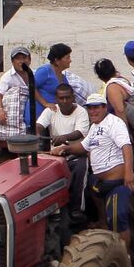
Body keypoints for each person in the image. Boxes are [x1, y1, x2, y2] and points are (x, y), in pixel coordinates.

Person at [58, 92, 134, 245]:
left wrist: (129, 173)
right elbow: (83, 146)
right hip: (99, 182)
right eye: (89, 108)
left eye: (96, 108)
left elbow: (126, 147)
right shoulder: (94, 127)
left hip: (117, 182)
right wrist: (65, 148)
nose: (92, 111)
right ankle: (101, 221)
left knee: (117, 217)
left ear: (104, 107)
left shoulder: (114, 123)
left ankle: (125, 254)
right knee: (89, 187)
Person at [37, 83, 91, 215]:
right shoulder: (51, 110)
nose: (65, 101)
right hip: (55, 156)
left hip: (76, 153)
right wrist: (38, 133)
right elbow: (39, 125)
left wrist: (63, 138)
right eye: (61, 98)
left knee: (80, 172)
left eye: (67, 98)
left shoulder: (81, 112)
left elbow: (79, 132)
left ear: (73, 98)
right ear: (56, 99)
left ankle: (77, 210)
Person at [0, 47, 37, 134]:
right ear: (12, 62)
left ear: (29, 60)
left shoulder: (35, 74)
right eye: (18, 58)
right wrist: (0, 111)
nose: (21, 61)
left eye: (24, 58)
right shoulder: (7, 77)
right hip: (16, 114)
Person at [32, 43, 75, 130]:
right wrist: (45, 103)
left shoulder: (63, 77)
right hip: (38, 116)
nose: (70, 60)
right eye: (67, 57)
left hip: (51, 119)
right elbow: (31, 87)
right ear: (57, 60)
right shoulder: (45, 71)